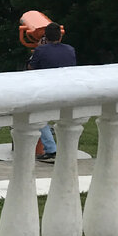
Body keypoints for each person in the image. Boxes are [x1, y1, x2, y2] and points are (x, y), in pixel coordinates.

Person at [28, 22, 76, 161]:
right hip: (66, 90)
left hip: (47, 90)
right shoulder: (70, 50)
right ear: (60, 36)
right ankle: (62, 145)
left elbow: (31, 68)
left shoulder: (41, 50)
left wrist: (38, 48)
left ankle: (51, 149)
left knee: (39, 118)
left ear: (46, 37)